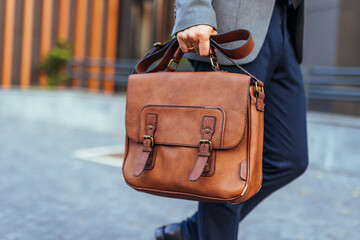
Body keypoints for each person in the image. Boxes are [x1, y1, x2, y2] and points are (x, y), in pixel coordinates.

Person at [155, 0, 308, 239]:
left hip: (281, 24)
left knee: (289, 158)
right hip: (230, 28)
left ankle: (194, 230)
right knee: (224, 170)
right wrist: (194, 10)